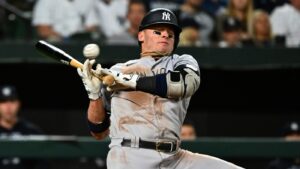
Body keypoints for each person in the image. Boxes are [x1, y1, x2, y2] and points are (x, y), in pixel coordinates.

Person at [77, 8, 244, 169]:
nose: (165, 34)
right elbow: (98, 131)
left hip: (175, 158)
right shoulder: (117, 71)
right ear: (141, 35)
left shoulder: (182, 62)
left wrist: (132, 81)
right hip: (129, 156)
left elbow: (184, 84)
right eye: (158, 31)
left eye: (170, 34)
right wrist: (94, 95)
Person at [0, 85, 48, 169]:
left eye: (12, 101)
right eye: (3, 102)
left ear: (18, 104)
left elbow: (43, 163)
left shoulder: (31, 131)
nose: (8, 107)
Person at [32, 0, 99, 42]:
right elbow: (43, 30)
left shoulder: (88, 1)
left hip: (80, 42)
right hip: (57, 43)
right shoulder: (45, 1)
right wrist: (65, 40)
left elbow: (92, 27)